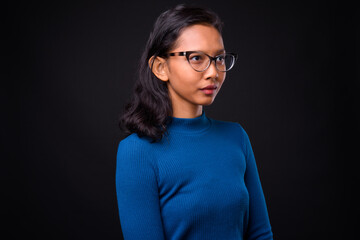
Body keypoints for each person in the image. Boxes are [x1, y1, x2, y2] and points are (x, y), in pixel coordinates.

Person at [115, 4, 273, 240]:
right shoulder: (137, 151)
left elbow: (260, 234)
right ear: (160, 67)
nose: (213, 72)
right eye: (197, 58)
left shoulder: (236, 137)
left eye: (219, 58)